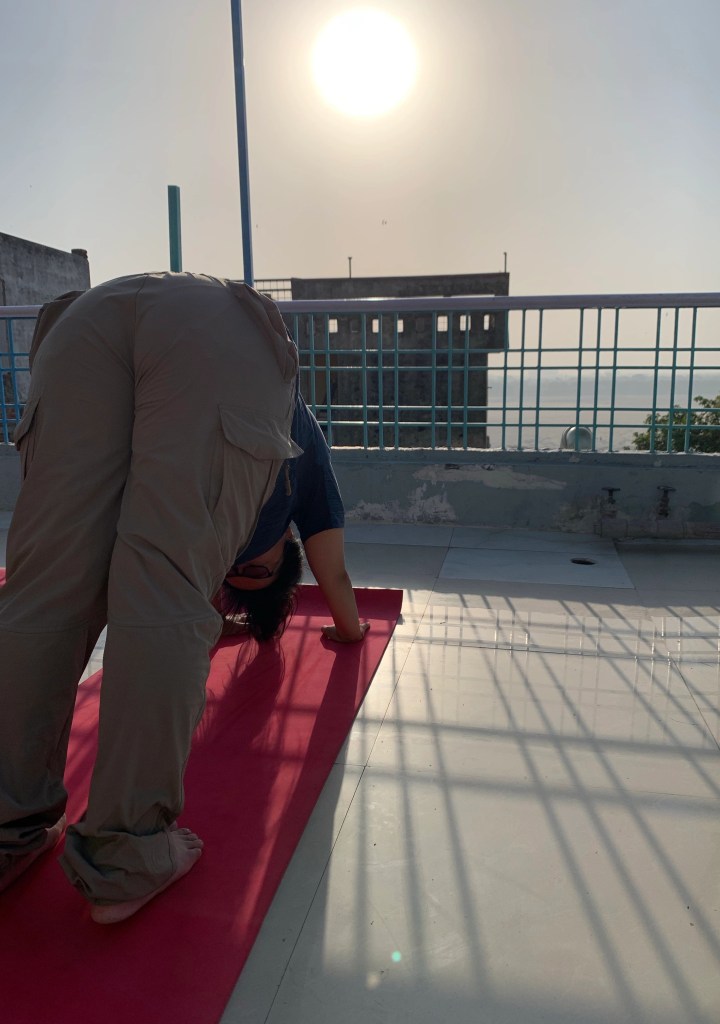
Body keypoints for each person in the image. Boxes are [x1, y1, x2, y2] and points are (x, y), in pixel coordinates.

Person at [0, 271, 301, 922]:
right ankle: (123, 854)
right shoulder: (303, 482)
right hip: (217, 334)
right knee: (165, 585)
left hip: (81, 321)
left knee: (42, 589)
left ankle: (5, 826)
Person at [213, 388, 370, 646]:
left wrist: (217, 620)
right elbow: (334, 574)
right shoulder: (306, 482)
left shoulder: (214, 536)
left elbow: (204, 565)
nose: (239, 558)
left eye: (230, 568)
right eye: (255, 570)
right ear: (289, 541)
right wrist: (349, 630)